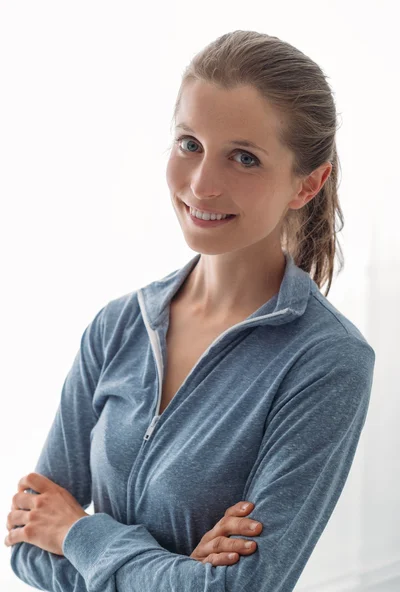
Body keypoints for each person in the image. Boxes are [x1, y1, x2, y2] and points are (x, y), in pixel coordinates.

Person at [8, 30, 375, 592]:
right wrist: (179, 570)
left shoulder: (326, 361)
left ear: (308, 184)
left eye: (244, 158)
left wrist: (79, 533)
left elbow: (234, 589)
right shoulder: (117, 327)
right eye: (189, 144)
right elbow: (25, 544)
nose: (202, 184)